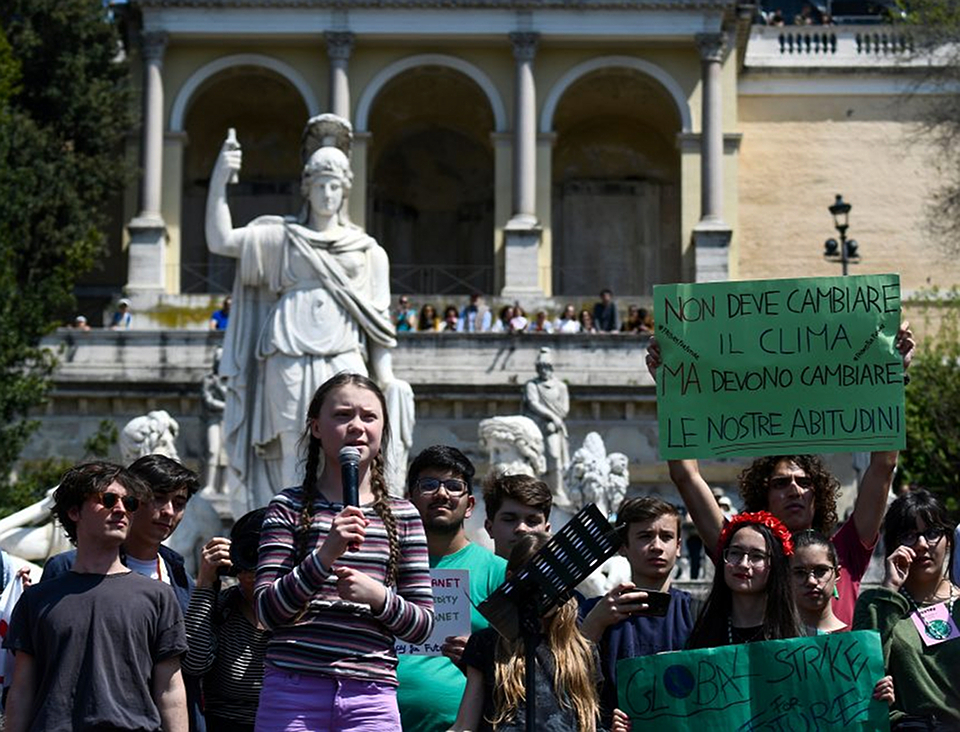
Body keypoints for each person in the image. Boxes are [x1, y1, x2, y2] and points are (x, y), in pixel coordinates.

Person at [645, 323, 916, 626]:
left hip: (842, 672)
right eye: (781, 483)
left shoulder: (846, 549)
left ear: (819, 494)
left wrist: (891, 377)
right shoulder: (746, 556)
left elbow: (883, 467)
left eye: (804, 482)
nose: (795, 489)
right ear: (764, 495)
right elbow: (685, 475)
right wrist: (670, 392)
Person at [205, 113, 414, 504]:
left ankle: (351, 517)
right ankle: (292, 522)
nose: (327, 194)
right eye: (319, 185)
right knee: (291, 444)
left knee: (350, 440)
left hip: (343, 350)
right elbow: (221, 241)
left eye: (334, 186)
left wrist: (386, 376)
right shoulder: (282, 237)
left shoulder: (369, 251)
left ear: (345, 191)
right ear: (307, 188)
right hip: (286, 350)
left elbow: (379, 325)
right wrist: (220, 179)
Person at [254, 372, 434, 731]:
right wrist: (324, 557)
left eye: (369, 417)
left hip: (371, 694)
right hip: (293, 690)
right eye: (342, 415)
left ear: (383, 429)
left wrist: (379, 597)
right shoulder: (286, 507)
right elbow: (266, 611)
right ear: (316, 427)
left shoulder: (404, 515)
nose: (356, 426)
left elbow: (423, 625)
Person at [4, 461, 188, 732]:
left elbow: (170, 690)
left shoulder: (159, 596)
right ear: (74, 511)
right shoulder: (36, 600)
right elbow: (21, 691)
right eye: (109, 499)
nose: (121, 509)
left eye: (130, 503)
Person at [397, 445, 507, 732]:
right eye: (429, 485)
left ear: (470, 505)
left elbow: (524, 655)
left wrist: (482, 652)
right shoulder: (386, 567)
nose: (442, 494)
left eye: (453, 486)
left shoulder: (498, 572)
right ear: (408, 500)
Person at [452, 532, 601, 731]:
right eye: (536, 580)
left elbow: (590, 723)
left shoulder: (582, 651)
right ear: (511, 578)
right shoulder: (486, 644)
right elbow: (464, 726)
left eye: (554, 578)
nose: (545, 589)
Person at [580, 497, 694, 727]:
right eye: (645, 536)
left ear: (679, 546)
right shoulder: (594, 611)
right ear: (623, 546)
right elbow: (564, 677)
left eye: (667, 537)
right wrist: (595, 624)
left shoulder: (697, 611)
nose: (657, 547)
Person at [854, 489, 960, 729]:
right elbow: (862, 674)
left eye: (932, 533)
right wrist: (890, 589)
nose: (922, 545)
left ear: (949, 540)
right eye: (909, 535)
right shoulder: (876, 604)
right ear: (893, 544)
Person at [183, 509, 269, 732]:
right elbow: (193, 664)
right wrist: (205, 582)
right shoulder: (223, 607)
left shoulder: (302, 611)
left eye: (265, 555)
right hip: (226, 724)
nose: (255, 565)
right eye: (249, 552)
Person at [687, 511, 802, 648]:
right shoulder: (699, 631)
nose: (743, 564)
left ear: (775, 564)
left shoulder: (800, 637)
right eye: (735, 553)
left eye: (757, 556)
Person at [522, 347, 570, 498]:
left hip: (553, 428)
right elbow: (532, 403)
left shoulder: (561, 387)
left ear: (551, 367)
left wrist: (556, 419)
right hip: (536, 426)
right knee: (533, 457)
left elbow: (565, 409)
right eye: (540, 367)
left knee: (554, 455)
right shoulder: (532, 385)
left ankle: (556, 490)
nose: (543, 370)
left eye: (546, 366)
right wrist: (551, 416)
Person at [483, 473, 553, 560]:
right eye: (509, 519)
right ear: (490, 528)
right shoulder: (468, 572)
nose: (521, 528)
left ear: (547, 531)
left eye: (532, 521)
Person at [791, 529, 848, 635]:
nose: (811, 581)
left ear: (837, 574)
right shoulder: (772, 639)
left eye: (820, 571)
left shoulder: (857, 638)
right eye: (800, 573)